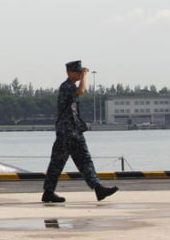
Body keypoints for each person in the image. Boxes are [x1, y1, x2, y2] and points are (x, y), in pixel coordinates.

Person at [42, 60, 118, 203]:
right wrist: (84, 76)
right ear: (70, 73)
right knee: (57, 163)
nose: (79, 74)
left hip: (75, 131)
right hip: (65, 133)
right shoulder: (66, 87)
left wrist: (82, 76)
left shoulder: (71, 86)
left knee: (85, 160)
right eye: (77, 72)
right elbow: (81, 91)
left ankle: (98, 188)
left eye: (80, 72)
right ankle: (48, 192)